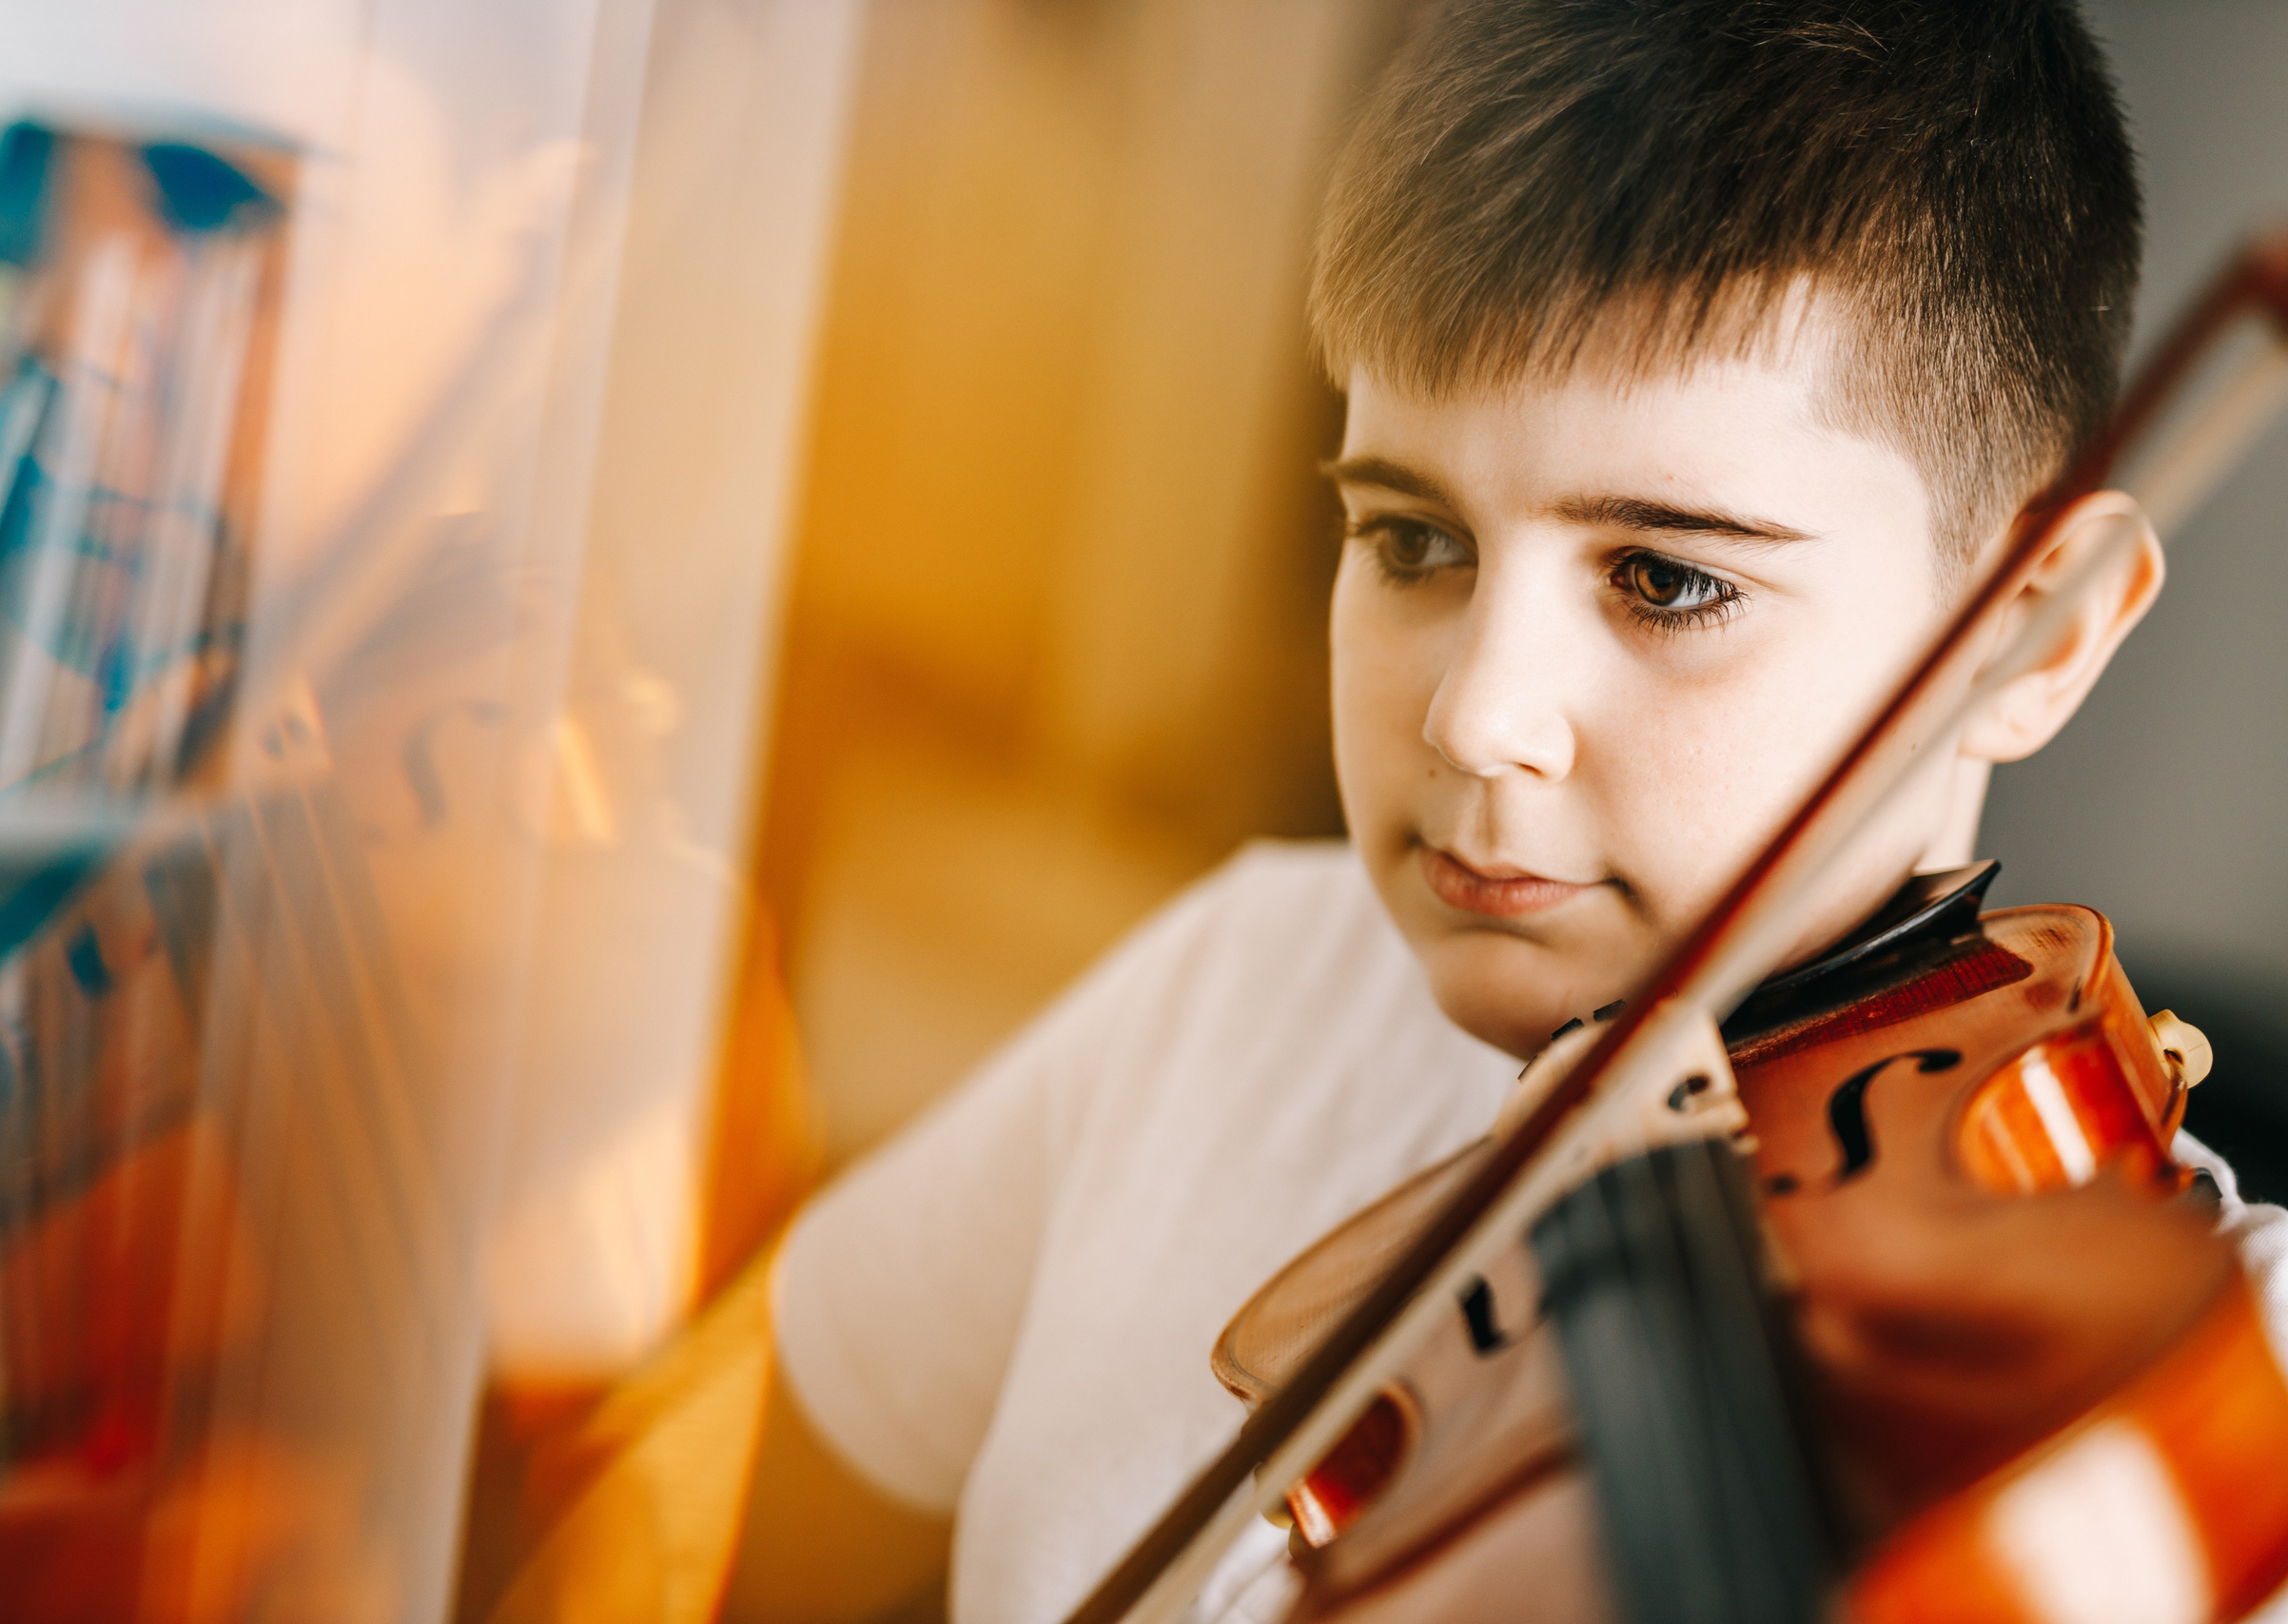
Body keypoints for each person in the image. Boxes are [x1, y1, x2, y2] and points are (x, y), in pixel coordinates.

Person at [722, 3, 2288, 1622]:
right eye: (1414, 542)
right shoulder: (1242, 983)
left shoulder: (2209, 1430)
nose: (1475, 716)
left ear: (2041, 629)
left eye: (1667, 579)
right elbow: (735, 1560)